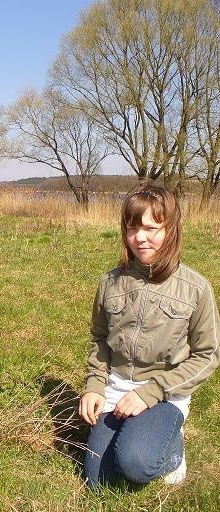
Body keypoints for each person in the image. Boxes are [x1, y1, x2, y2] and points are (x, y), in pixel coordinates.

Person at [79, 182, 220, 487]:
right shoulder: (110, 282)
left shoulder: (196, 288)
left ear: (171, 229)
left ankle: (173, 449)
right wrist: (94, 385)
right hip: (116, 389)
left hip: (164, 393)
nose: (140, 238)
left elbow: (208, 355)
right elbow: (100, 338)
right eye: (132, 228)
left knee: (136, 464)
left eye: (151, 228)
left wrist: (151, 393)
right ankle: (137, 433)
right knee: (97, 480)